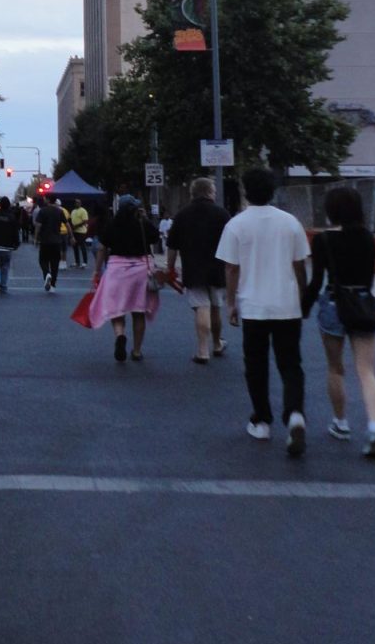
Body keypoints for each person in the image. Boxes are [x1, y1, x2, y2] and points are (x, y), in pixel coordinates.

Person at [216, 167, 310, 457]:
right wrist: (302, 297)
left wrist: (231, 303)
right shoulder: (291, 223)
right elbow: (299, 265)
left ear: (246, 191)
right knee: (290, 363)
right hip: (287, 304)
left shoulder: (236, 225)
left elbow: (231, 268)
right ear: (273, 191)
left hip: (254, 306)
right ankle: (294, 414)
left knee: (256, 365)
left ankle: (262, 420)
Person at [302, 186, 375, 459]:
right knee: (367, 370)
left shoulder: (323, 240)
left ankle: (341, 422)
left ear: (331, 210)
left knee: (336, 368)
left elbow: (316, 281)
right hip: (361, 301)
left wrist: (303, 307)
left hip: (334, 303)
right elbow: (369, 280)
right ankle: (374, 427)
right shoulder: (369, 239)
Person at [167, 179, 232, 363]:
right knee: (216, 307)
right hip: (218, 268)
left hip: (194, 268)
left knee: (201, 307)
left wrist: (170, 267)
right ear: (211, 192)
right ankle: (217, 344)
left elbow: (172, 246)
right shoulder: (222, 214)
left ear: (192, 193)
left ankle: (203, 350)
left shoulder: (182, 215)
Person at [88, 195, 159, 362]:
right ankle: (136, 351)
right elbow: (155, 237)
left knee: (116, 309)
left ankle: (120, 334)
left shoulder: (112, 224)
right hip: (141, 270)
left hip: (117, 270)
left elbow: (101, 249)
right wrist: (145, 219)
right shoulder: (142, 223)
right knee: (138, 312)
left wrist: (96, 271)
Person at [33, 196, 70, 292]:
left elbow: (38, 225)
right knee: (55, 263)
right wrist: (72, 236)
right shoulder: (59, 211)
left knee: (43, 260)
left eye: (45, 198)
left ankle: (46, 273)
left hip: (45, 241)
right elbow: (67, 224)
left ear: (48, 200)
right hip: (56, 241)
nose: (44, 199)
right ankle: (53, 285)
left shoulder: (43, 211)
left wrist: (36, 238)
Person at [68, 200, 90, 268]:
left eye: (78, 202)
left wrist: (76, 226)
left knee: (82, 246)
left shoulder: (83, 210)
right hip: (74, 231)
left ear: (80, 203)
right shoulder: (73, 211)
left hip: (81, 231)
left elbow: (85, 221)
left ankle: (84, 262)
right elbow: (71, 220)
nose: (77, 203)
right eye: (76, 203)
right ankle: (77, 262)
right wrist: (72, 227)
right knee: (75, 246)